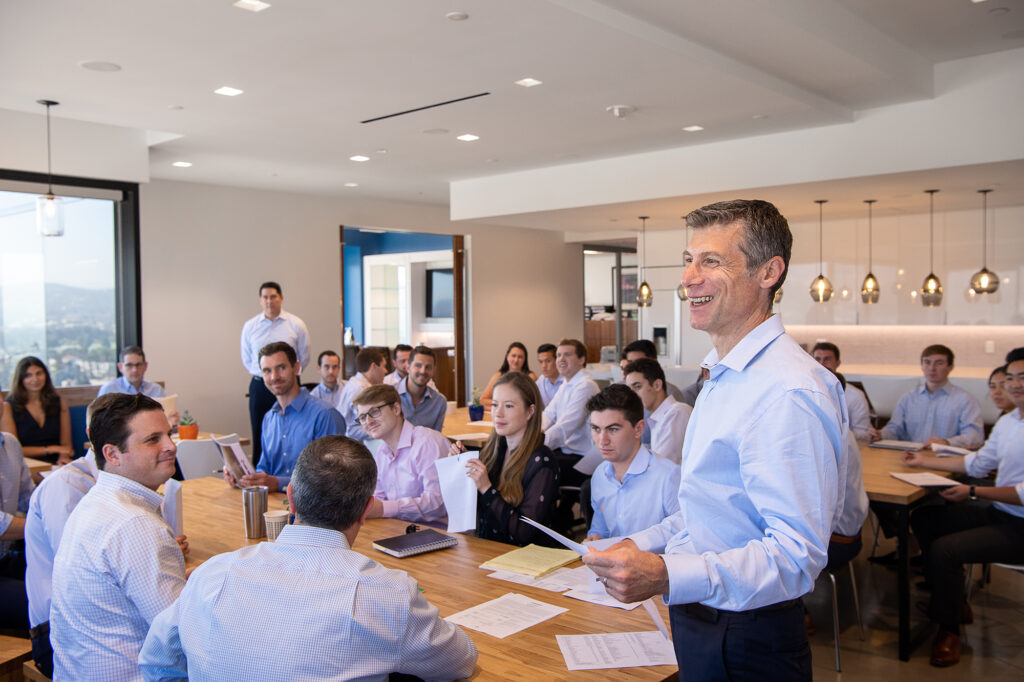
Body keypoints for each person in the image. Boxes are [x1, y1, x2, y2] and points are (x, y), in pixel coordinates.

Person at [583, 199, 846, 680]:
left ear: (769, 272)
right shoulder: (726, 376)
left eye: (712, 261)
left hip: (748, 631)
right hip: (700, 613)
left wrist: (664, 574)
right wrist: (633, 543)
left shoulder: (787, 390)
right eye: (688, 260)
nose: (688, 278)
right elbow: (710, 509)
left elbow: (794, 555)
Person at [139, 435, 478, 680]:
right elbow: (460, 660)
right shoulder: (388, 594)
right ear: (364, 511)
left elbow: (156, 663)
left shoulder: (212, 575)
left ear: (291, 498)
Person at [50, 393, 188, 681]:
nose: (171, 446)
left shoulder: (95, 502)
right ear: (112, 454)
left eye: (169, 434)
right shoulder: (136, 524)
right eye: (153, 440)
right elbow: (182, 636)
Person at [903, 353, 1024, 667]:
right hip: (1000, 511)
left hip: (1019, 525)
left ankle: (949, 628)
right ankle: (952, 601)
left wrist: (972, 490)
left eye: (1022, 377)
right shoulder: (1010, 422)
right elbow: (978, 462)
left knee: (945, 550)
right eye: (1010, 377)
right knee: (925, 517)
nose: (1014, 385)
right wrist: (924, 462)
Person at [23, 396, 108, 677]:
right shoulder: (67, 487)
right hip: (58, 631)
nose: (169, 447)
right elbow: (80, 574)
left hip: (90, 618)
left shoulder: (121, 485)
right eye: (150, 439)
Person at [450, 372, 560, 546]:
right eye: (494, 405)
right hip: (488, 552)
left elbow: (524, 534)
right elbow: (471, 512)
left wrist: (486, 487)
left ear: (530, 411)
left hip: (525, 562)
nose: (498, 413)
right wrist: (462, 467)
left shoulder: (543, 461)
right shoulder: (495, 450)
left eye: (508, 406)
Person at [225, 342, 345, 494]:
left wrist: (278, 483)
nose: (274, 377)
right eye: (267, 371)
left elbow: (331, 478)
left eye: (281, 368)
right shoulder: (268, 419)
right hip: (271, 508)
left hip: (312, 512)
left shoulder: (325, 415)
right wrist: (244, 479)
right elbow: (264, 469)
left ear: (296, 368)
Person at [584, 384, 679, 541]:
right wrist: (596, 538)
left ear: (639, 429)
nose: (602, 441)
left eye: (613, 429)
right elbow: (601, 529)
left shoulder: (668, 476)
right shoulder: (600, 475)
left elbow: (685, 537)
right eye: (596, 429)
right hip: (612, 562)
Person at [353, 384, 446, 524]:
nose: (369, 421)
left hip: (441, 536)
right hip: (399, 530)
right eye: (363, 417)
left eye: (374, 412)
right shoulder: (381, 451)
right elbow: (379, 497)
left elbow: (437, 504)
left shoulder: (427, 442)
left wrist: (385, 508)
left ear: (396, 409)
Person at [240, 281, 310, 466]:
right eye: (265, 297)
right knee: (260, 433)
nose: (269, 301)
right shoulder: (250, 326)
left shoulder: (296, 324)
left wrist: (287, 373)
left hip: (290, 384)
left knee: (294, 430)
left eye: (273, 296)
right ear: (260, 300)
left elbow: (304, 356)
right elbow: (247, 358)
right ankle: (259, 476)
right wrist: (267, 375)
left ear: (281, 298)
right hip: (260, 385)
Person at [870, 344, 983, 449]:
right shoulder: (908, 398)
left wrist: (946, 442)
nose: (932, 368)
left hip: (946, 459)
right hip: (911, 457)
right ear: (922, 366)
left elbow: (975, 437)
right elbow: (895, 429)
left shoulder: (965, 400)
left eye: (939, 363)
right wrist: (881, 434)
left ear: (950, 367)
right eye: (927, 362)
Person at [542, 339, 601, 492]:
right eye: (558, 355)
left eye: (567, 354)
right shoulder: (566, 384)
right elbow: (548, 415)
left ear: (581, 359)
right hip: (567, 451)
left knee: (536, 466)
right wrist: (531, 435)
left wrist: (536, 443)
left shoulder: (586, 386)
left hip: (582, 457)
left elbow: (565, 427)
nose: (561, 359)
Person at [2, 356, 73, 465]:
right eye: (28, 375)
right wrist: (51, 449)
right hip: (26, 464)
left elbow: (66, 445)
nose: (35, 379)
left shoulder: (58, 402)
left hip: (56, 463)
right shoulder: (8, 406)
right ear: (20, 379)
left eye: (39, 373)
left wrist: (63, 456)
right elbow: (13, 449)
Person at [623, 358, 691, 464]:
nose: (632, 395)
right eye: (630, 390)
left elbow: (661, 464)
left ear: (657, 385)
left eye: (637, 387)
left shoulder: (677, 413)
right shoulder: (659, 417)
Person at [0, 429, 33, 634]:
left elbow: (29, 498)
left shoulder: (10, 443)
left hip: (5, 558)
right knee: (46, 605)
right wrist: (43, 526)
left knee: (70, 582)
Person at [812, 341, 871, 441]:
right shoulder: (805, 391)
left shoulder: (856, 396)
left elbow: (864, 433)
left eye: (827, 359)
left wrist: (836, 433)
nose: (821, 364)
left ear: (837, 363)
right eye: (817, 359)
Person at [337, 347, 387, 441]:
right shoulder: (362, 389)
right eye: (383, 366)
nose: (385, 371)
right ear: (373, 367)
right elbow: (353, 430)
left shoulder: (353, 383)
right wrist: (385, 430)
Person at [397, 346, 447, 432]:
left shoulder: (439, 402)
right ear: (408, 368)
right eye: (418, 365)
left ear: (434, 371)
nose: (423, 371)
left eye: (428, 367)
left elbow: (435, 438)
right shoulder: (389, 396)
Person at [619, 340, 686, 402]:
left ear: (654, 362)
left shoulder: (671, 393)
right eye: (630, 363)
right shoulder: (619, 390)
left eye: (639, 362)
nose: (633, 366)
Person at [479, 342, 536, 409]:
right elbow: (483, 400)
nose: (516, 360)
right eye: (513, 356)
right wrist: (500, 405)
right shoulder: (498, 376)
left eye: (520, 357)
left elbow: (528, 402)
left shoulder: (530, 377)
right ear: (507, 356)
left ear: (524, 359)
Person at [534, 343, 564, 407]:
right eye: (541, 362)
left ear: (557, 361)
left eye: (548, 361)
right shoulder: (541, 381)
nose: (544, 366)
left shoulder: (567, 380)